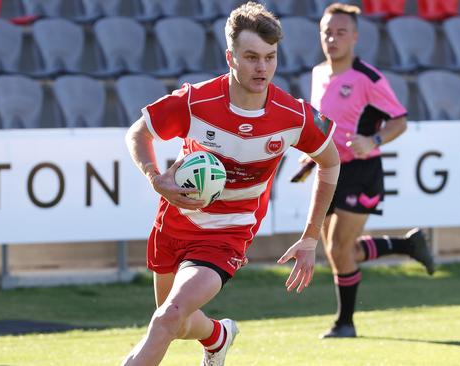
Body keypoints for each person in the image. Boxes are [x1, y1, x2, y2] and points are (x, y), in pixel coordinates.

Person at [122, 2, 341, 365]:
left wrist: (311, 235)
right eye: (252, 57)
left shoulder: (293, 115)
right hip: (175, 222)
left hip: (228, 234)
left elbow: (331, 163)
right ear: (230, 57)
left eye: (270, 57)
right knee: (174, 322)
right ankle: (218, 335)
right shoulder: (196, 101)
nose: (262, 67)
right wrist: (155, 177)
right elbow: (138, 133)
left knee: (166, 319)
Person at [297, 3, 436, 339]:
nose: (332, 38)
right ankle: (406, 246)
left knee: (340, 249)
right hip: (329, 170)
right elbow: (322, 124)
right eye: (327, 32)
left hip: (362, 170)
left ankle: (346, 323)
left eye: (341, 32)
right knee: (338, 249)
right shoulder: (318, 74)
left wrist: (372, 139)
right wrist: (311, 156)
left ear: (355, 37)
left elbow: (399, 121)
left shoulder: (369, 79)